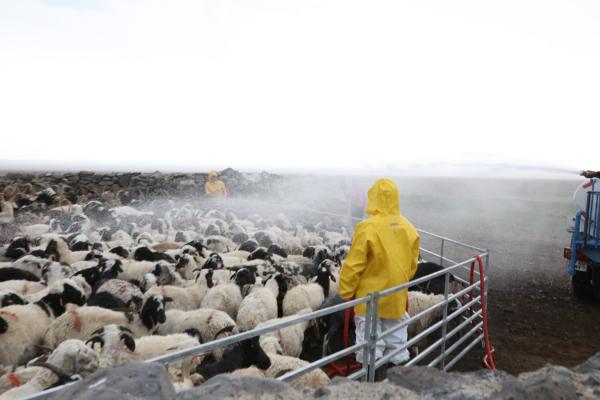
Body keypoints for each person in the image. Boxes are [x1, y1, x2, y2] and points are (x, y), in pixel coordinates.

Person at [339, 178, 420, 380]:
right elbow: (412, 265)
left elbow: (354, 264)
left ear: (373, 199)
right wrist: (399, 282)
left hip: (370, 300)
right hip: (395, 298)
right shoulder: (409, 227)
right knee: (396, 344)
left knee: (370, 348)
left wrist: (346, 292)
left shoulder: (367, 227)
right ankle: (396, 385)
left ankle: (371, 386)